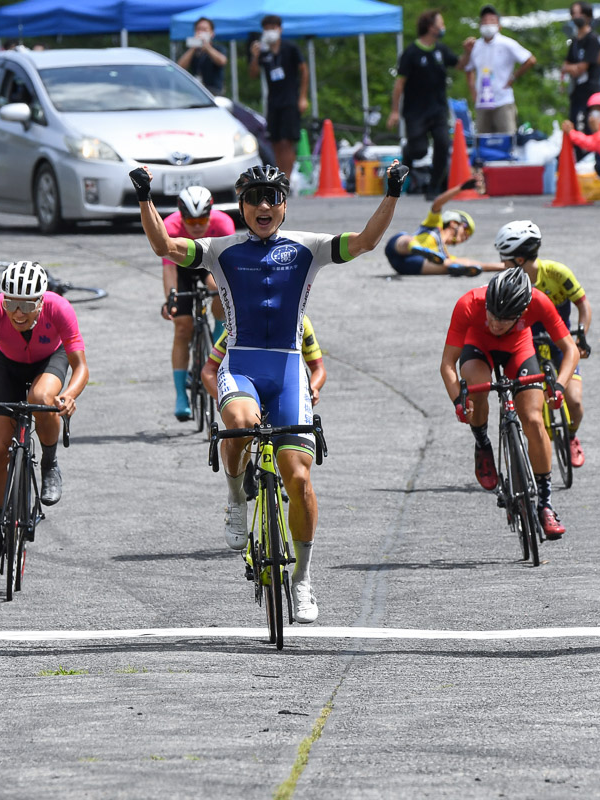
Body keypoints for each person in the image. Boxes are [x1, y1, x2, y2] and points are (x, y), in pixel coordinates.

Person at [130, 159, 405, 624]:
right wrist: (144, 198)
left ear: (283, 206)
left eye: (272, 198)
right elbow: (164, 244)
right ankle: (237, 497)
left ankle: (302, 580)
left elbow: (365, 242)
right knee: (237, 424)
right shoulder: (221, 248)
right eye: (254, 198)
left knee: (298, 477)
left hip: (289, 369)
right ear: (241, 205)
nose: (263, 206)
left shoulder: (308, 247)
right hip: (242, 364)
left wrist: (392, 193)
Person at [0, 262, 88, 571]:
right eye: (10, 303)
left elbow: (80, 367)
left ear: (41, 301)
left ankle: (49, 463)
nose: (17, 313)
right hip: (7, 365)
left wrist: (69, 396)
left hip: (50, 360)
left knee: (41, 398)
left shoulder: (59, 308)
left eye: (26, 305)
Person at [441, 267, 579, 539]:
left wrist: (560, 386)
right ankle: (482, 444)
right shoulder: (469, 303)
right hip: (478, 347)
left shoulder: (539, 301)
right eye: (491, 314)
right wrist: (459, 400)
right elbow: (447, 363)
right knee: (477, 391)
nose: (495, 324)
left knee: (534, 420)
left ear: (523, 311)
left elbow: (570, 350)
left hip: (519, 349)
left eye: (504, 320)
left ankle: (545, 504)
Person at [494, 221, 592, 468]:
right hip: (526, 344)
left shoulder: (558, 273)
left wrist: (581, 336)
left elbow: (583, 304)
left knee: (575, 403)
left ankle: (570, 435)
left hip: (560, 339)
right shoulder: (507, 282)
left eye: (505, 259)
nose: (502, 265)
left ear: (518, 259)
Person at [161, 186, 232, 420]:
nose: (197, 225)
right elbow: (169, 270)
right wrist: (170, 299)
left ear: (210, 214)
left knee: (219, 290)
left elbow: (225, 271)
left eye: (202, 219)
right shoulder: (170, 227)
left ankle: (217, 335)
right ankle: (181, 395)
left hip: (208, 265)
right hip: (181, 268)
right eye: (190, 220)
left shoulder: (223, 225)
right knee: (182, 327)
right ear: (181, 215)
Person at [389, 9, 460, 199]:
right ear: (431, 27)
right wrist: (394, 111)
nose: (443, 27)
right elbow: (399, 84)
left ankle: (434, 186)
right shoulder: (411, 53)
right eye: (441, 23)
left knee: (443, 143)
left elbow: (460, 64)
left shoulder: (441, 50)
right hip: (415, 112)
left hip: (438, 109)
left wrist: (469, 52)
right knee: (419, 150)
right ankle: (408, 153)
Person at [384, 179, 502, 277]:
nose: (465, 237)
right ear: (454, 222)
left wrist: (505, 266)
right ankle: (415, 247)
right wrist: (460, 188)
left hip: (409, 266)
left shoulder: (444, 254)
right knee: (406, 240)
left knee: (450, 262)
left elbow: (476, 263)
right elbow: (437, 204)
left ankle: (455, 268)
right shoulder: (434, 226)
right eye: (466, 231)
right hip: (397, 248)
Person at [203, 316, 325, 406]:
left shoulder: (301, 322)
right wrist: (223, 397)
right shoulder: (239, 323)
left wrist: (312, 389)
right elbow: (209, 370)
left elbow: (319, 369)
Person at [460, 5, 536, 135]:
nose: (488, 24)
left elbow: (530, 60)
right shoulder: (475, 46)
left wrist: (513, 77)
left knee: (506, 138)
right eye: (484, 21)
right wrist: (473, 92)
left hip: (503, 100)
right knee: (483, 140)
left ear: (499, 25)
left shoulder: (506, 43)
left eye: (492, 20)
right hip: (482, 102)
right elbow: (466, 68)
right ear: (479, 25)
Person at [248, 15, 308, 177]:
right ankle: (279, 174)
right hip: (273, 101)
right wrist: (254, 56)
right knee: (274, 141)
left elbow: (304, 70)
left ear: (280, 29)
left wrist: (302, 97)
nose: (270, 32)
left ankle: (287, 177)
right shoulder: (263, 52)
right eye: (266, 28)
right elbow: (253, 74)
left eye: (273, 28)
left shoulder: (290, 48)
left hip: (290, 100)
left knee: (287, 141)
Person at [562, 3, 600, 135]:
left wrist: (571, 68)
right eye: (573, 14)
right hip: (576, 90)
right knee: (573, 122)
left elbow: (581, 68)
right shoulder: (574, 41)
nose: (576, 17)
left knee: (587, 125)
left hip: (590, 91)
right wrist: (569, 68)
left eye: (579, 14)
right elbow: (565, 65)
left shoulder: (593, 39)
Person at [178, 17, 227, 95]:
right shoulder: (192, 51)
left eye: (205, 30)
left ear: (212, 33)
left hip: (214, 93)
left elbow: (222, 61)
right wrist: (194, 47)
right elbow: (180, 66)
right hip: (196, 93)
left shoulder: (218, 48)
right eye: (198, 29)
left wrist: (207, 46)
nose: (200, 32)